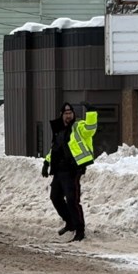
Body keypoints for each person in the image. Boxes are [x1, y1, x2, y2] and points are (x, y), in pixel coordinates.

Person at [41, 101, 97, 242]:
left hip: (73, 169)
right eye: (66, 114)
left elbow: (91, 128)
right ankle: (70, 222)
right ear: (61, 115)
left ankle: (80, 230)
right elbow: (55, 149)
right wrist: (46, 162)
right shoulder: (59, 130)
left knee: (72, 200)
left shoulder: (79, 127)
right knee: (55, 197)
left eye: (70, 113)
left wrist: (91, 112)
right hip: (59, 170)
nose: (68, 116)